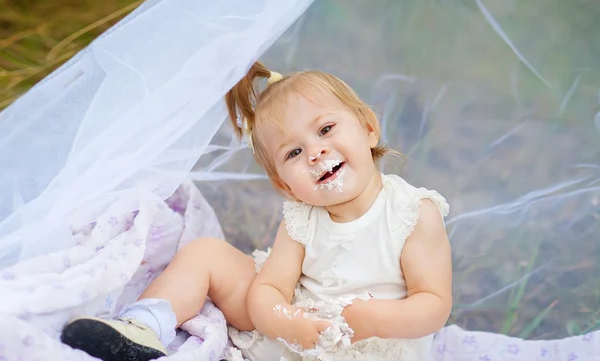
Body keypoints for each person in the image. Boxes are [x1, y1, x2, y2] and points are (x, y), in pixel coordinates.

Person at [60, 61, 453, 361]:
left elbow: (433, 303)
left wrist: (373, 319)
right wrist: (286, 321)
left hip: (370, 347)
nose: (315, 151)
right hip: (295, 330)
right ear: (285, 184)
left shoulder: (412, 213)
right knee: (206, 253)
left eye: (326, 129)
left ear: (368, 129)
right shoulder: (302, 217)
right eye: (294, 152)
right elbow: (271, 290)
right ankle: (143, 328)